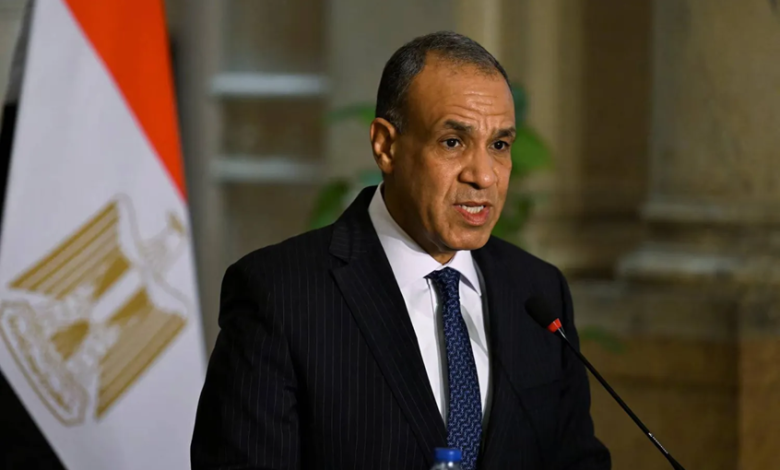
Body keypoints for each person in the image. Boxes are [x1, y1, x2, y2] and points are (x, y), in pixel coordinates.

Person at [191, 31, 610, 470]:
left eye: (499, 145)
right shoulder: (281, 294)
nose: (484, 176)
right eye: (453, 142)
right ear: (386, 146)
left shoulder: (537, 291)